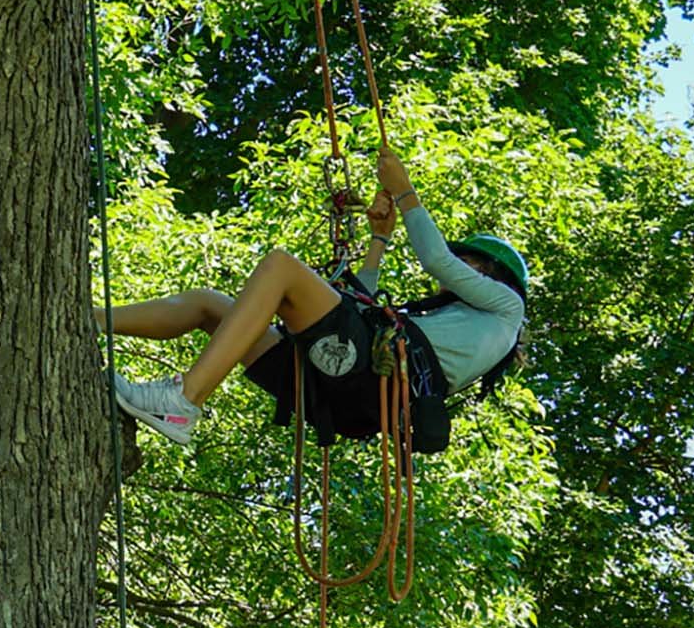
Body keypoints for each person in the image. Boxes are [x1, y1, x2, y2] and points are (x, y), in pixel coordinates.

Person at [107, 147, 529, 450]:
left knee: (281, 268)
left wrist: (405, 190)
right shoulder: (454, 322)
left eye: (467, 263)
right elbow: (361, 306)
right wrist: (378, 241)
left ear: (492, 275)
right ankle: (90, 320)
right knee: (209, 305)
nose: (455, 272)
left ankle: (182, 402)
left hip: (362, 380)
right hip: (345, 387)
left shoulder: (507, 311)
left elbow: (436, 259)